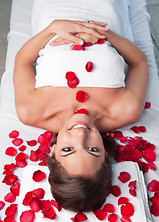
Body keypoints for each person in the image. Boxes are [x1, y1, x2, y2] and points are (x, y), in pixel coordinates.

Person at [13, 4, 148, 211]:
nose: (80, 135)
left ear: (52, 152)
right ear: (105, 156)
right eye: (92, 149)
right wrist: (103, 34)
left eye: (68, 149)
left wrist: (53, 27)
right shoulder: (125, 110)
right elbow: (139, 62)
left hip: (53, 9)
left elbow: (22, 61)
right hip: (105, 10)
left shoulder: (31, 111)